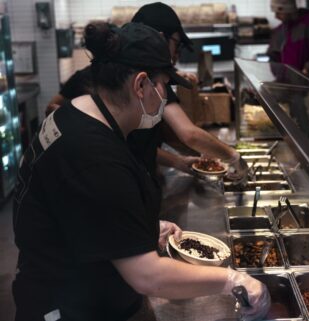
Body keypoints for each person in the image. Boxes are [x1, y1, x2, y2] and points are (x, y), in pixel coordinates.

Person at [12, 22, 270, 321]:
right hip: (67, 306)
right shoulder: (95, 156)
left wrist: (141, 227)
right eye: (164, 85)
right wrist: (234, 280)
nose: (165, 96)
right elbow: (148, 277)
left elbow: (84, 209)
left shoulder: (75, 113)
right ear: (141, 84)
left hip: (64, 285)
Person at [46, 2, 248, 181]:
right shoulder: (144, 88)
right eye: (176, 45)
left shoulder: (100, 76)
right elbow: (189, 135)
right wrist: (233, 156)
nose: (176, 55)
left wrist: (178, 162)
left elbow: (135, 147)